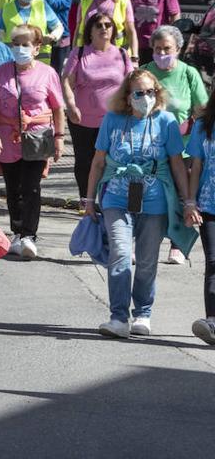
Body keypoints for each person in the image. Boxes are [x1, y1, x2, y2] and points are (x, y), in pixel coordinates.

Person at [83, 69, 190, 339]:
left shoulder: (166, 122)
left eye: (150, 92)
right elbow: (97, 161)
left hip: (155, 201)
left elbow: (177, 164)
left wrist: (188, 201)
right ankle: (118, 317)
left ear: (158, 93)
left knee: (146, 261)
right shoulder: (113, 120)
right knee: (119, 253)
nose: (146, 97)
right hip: (116, 197)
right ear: (128, 97)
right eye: (139, 93)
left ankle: (143, 312)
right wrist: (89, 199)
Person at [0, 24, 65, 259]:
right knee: (13, 188)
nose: (19, 49)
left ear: (36, 48)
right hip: (7, 137)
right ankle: (17, 232)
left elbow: (58, 109)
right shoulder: (2, 72)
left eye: (25, 44)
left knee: (31, 187)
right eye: (15, 44)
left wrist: (59, 138)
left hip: (37, 137)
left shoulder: (48, 73)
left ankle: (29, 235)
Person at [141, 24, 207, 265]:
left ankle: (178, 244)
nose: (161, 53)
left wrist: (188, 127)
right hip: (149, 147)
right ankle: (146, 242)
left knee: (181, 195)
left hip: (183, 147)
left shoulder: (189, 73)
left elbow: (202, 109)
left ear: (178, 49)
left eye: (166, 48)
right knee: (150, 195)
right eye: (157, 49)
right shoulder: (145, 73)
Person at [62, 13, 135, 200]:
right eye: (99, 25)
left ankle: (107, 198)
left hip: (114, 120)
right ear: (90, 31)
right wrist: (70, 105)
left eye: (108, 25)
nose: (104, 28)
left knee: (110, 160)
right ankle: (85, 199)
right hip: (82, 119)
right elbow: (66, 83)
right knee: (85, 161)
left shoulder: (122, 54)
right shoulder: (79, 52)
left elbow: (131, 85)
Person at [183, 98, 215, 345]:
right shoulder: (204, 124)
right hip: (209, 204)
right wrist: (190, 202)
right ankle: (212, 321)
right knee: (213, 262)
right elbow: (196, 164)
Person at [73, 0, 138, 61]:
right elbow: (78, 30)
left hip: (118, 56)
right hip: (88, 55)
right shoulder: (85, 0)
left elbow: (131, 31)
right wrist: (74, 54)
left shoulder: (123, 0)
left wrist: (134, 57)